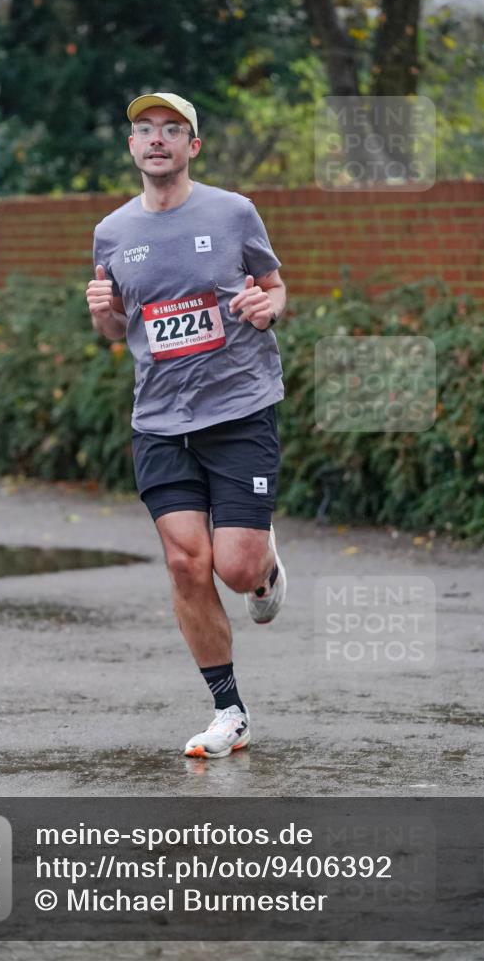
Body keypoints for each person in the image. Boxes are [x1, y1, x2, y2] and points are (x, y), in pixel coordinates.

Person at [86, 92, 287, 759]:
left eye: (171, 130)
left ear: (191, 146)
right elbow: (120, 328)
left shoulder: (232, 212)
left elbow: (274, 285)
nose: (156, 140)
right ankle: (228, 709)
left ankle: (262, 571)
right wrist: (101, 313)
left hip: (238, 409)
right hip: (160, 419)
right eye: (144, 129)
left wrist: (265, 306)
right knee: (183, 563)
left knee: (233, 569)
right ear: (132, 147)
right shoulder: (112, 233)